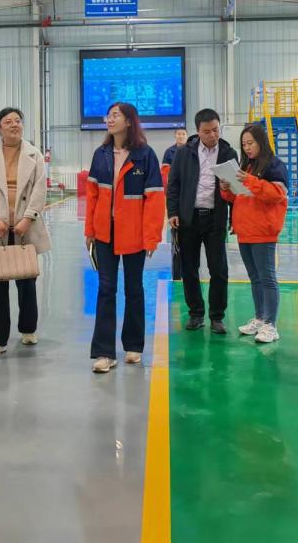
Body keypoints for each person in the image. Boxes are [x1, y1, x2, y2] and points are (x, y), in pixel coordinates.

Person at [85, 103, 165, 373]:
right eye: (108, 115)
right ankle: (104, 352)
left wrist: (151, 237)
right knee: (106, 289)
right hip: (104, 233)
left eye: (115, 115)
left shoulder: (145, 155)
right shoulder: (101, 154)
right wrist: (89, 230)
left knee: (134, 289)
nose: (110, 119)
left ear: (129, 121)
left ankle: (134, 346)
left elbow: (155, 198)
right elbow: (92, 195)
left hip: (134, 234)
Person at [0, 108, 51, 359]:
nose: (14, 125)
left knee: (26, 281)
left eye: (18, 121)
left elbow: (40, 190)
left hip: (24, 225)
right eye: (8, 122)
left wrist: (28, 218)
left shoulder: (34, 155)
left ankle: (28, 328)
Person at [166, 108, 238, 333]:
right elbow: (174, 184)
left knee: (219, 269)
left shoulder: (228, 153)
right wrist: (173, 212)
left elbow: (237, 189)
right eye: (207, 131)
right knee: (189, 268)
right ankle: (196, 313)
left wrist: (234, 216)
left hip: (216, 218)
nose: (212, 135)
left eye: (215, 130)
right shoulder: (184, 153)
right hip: (189, 218)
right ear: (198, 131)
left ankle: (217, 316)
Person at [222, 124, 289, 344]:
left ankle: (271, 324)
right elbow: (238, 197)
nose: (247, 148)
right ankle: (260, 318)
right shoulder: (247, 167)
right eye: (244, 144)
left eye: (250, 143)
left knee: (267, 278)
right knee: (255, 278)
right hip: (245, 231)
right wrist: (227, 188)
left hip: (263, 231)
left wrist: (249, 181)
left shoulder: (274, 166)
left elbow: (277, 194)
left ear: (261, 142)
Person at [161, 128, 189, 281]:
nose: (181, 136)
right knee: (176, 238)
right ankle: (177, 274)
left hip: (189, 198)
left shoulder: (192, 150)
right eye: (178, 134)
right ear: (175, 136)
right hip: (175, 198)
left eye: (183, 134)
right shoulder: (169, 152)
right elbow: (166, 175)